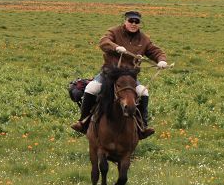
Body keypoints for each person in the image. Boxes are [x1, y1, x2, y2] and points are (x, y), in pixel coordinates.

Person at [71, 10, 168, 138]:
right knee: (91, 88)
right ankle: (83, 121)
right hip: (109, 73)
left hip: (129, 77)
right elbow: (104, 41)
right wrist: (115, 47)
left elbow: (156, 51)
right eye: (131, 21)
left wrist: (162, 60)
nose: (133, 24)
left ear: (139, 24)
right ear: (125, 21)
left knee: (143, 92)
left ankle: (143, 126)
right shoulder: (114, 32)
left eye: (136, 21)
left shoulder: (144, 39)